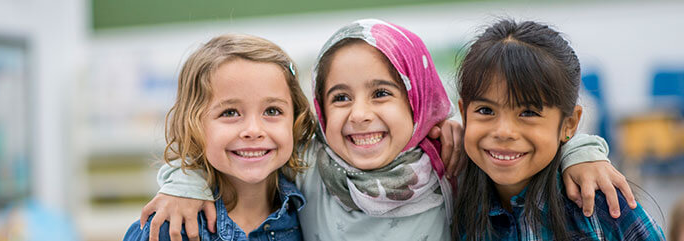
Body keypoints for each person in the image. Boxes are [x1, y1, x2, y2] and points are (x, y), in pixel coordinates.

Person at [141, 19, 636, 241]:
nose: (359, 114)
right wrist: (183, 181)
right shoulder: (309, 166)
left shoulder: (453, 159)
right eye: (340, 98)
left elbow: (523, 143)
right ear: (316, 111)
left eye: (382, 93)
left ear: (418, 102)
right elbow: (247, 154)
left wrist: (581, 150)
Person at [451, 19, 665, 240]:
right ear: (464, 112)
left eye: (528, 113)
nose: (504, 132)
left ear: (569, 124)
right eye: (486, 110)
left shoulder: (600, 205)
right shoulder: (447, 196)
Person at [123, 34, 316, 241]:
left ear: (296, 119)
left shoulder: (314, 211)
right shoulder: (169, 227)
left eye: (272, 111)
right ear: (193, 124)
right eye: (230, 113)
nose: (253, 130)